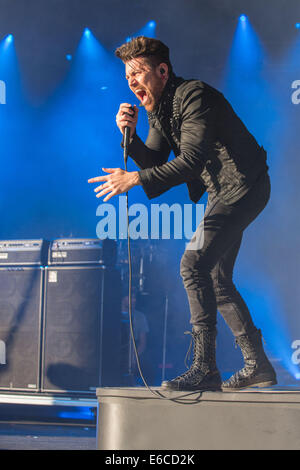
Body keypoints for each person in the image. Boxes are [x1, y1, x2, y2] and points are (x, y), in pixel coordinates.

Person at [88, 36, 277, 392]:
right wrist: (127, 136)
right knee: (215, 278)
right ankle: (258, 366)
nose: (131, 81)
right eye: (127, 75)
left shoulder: (194, 96)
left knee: (193, 264)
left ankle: (205, 367)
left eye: (138, 72)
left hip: (244, 185)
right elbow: (156, 163)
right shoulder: (158, 108)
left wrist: (135, 178)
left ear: (162, 70)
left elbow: (190, 161)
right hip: (223, 192)